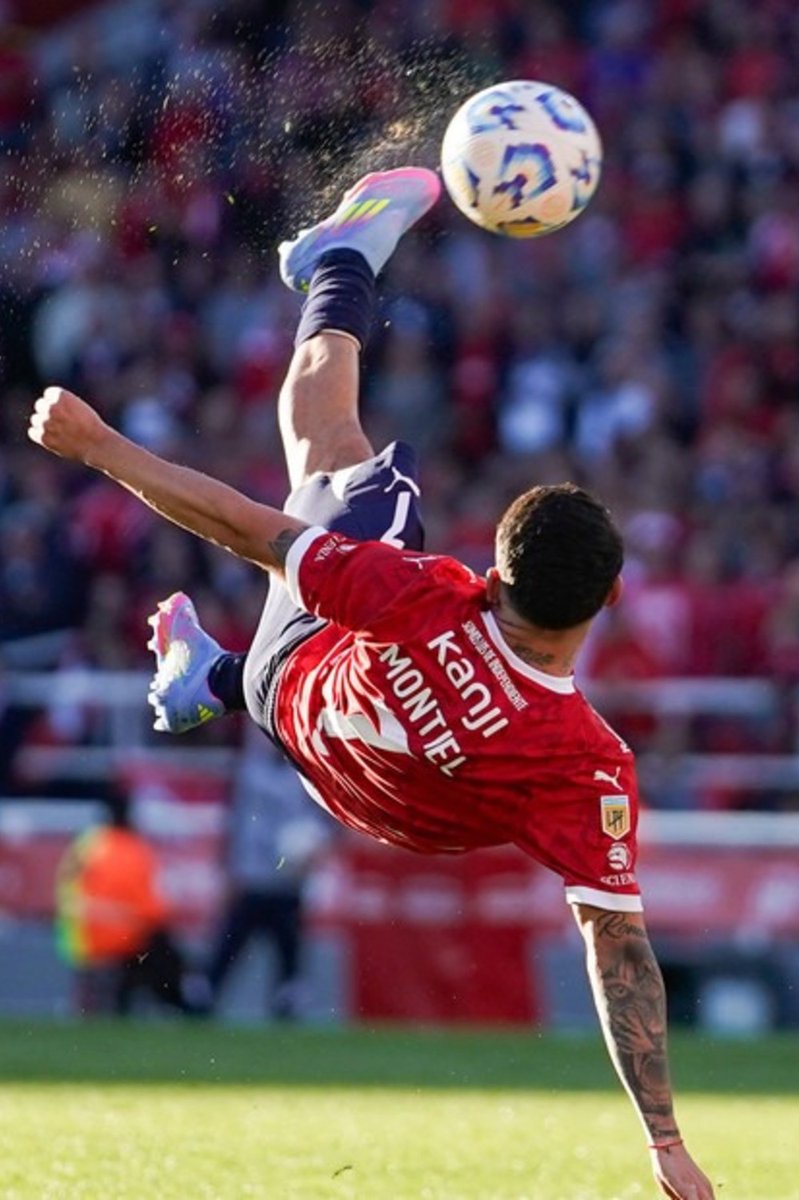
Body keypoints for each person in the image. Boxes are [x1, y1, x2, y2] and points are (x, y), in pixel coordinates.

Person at [27, 168, 715, 1200]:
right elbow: (620, 957)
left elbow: (243, 528)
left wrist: (99, 446)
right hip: (341, 780)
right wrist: (662, 1140)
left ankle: (336, 264)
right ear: (609, 595)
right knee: (331, 474)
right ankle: (203, 674)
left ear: (495, 567)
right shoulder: (588, 768)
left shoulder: (430, 595)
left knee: (340, 462)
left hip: (296, 684)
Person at [197, 728, 334, 1022]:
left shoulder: (306, 775)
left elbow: (324, 824)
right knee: (230, 945)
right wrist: (228, 868)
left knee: (288, 951)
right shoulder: (248, 771)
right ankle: (204, 996)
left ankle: (287, 1001)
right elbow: (234, 824)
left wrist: (313, 846)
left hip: (287, 881)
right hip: (251, 878)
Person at [56, 793, 198, 1017]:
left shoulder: (85, 845)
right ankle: (183, 1006)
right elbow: (156, 911)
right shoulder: (136, 851)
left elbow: (63, 889)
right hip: (122, 944)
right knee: (162, 951)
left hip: (79, 942)